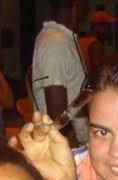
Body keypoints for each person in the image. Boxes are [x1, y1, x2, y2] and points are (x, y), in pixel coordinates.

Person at [31, 0, 87, 148]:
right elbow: (57, 113)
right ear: (77, 4)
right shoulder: (55, 43)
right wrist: (74, 152)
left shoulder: (63, 39)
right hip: (68, 146)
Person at [78, 9, 117, 74]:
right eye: (108, 27)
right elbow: (97, 72)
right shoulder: (95, 44)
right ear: (97, 27)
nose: (110, 31)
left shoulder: (81, 40)